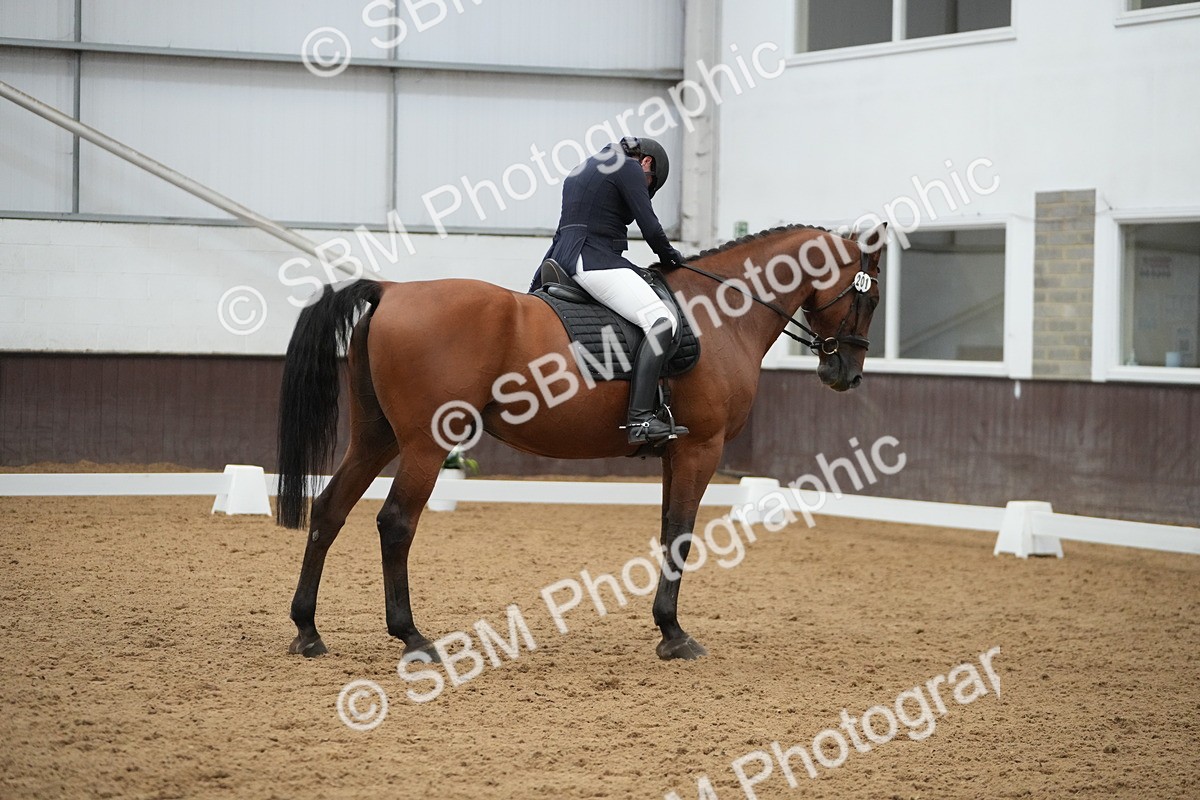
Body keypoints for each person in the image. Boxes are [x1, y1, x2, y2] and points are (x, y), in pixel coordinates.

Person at [539, 136, 689, 445]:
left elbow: (561, 233)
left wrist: (534, 284)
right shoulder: (631, 166)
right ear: (648, 163)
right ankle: (641, 419)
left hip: (565, 258)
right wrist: (669, 256)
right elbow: (649, 225)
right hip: (595, 259)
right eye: (651, 184)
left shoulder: (581, 169)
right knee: (661, 321)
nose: (644, 187)